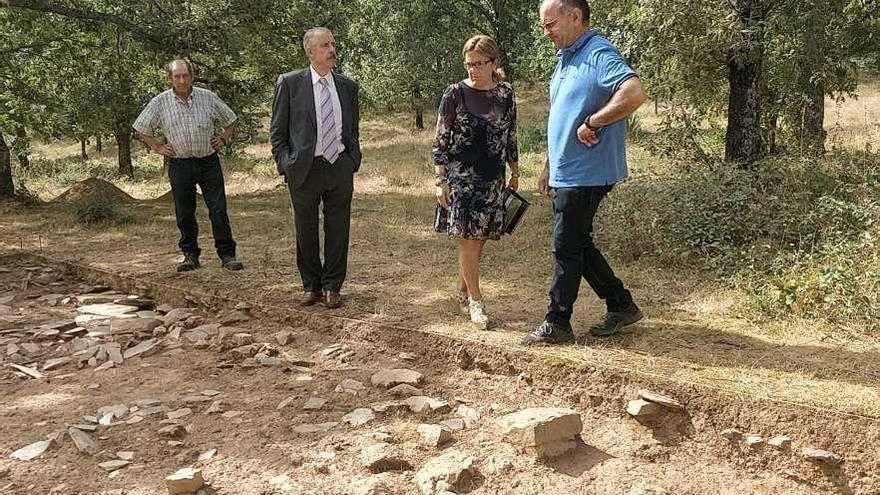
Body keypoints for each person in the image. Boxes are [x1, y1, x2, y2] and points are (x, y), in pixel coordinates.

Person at [522, 0, 647, 345]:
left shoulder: (597, 52)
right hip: (567, 171)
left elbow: (634, 93)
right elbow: (561, 116)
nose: (545, 33)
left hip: (588, 172)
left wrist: (595, 121)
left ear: (574, 16)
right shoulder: (567, 58)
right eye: (543, 26)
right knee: (578, 243)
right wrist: (550, 164)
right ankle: (620, 304)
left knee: (565, 246)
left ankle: (557, 322)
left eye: (550, 25)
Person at [270, 27, 361, 310]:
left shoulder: (347, 86)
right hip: (304, 169)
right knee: (305, 229)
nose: (331, 49)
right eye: (324, 45)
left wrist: (352, 160)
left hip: (338, 167)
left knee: (338, 229)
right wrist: (286, 165)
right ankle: (312, 286)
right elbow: (277, 131)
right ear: (311, 52)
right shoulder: (290, 83)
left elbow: (353, 130)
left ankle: (333, 287)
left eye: (333, 44)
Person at [433, 35, 519, 329]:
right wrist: (440, 180)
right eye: (469, 64)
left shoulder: (506, 94)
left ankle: (461, 291)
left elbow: (511, 136)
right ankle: (476, 301)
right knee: (468, 241)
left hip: (493, 179)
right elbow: (440, 141)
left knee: (478, 241)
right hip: (461, 181)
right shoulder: (454, 93)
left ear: (494, 63)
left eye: (479, 64)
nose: (473, 69)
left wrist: (515, 171)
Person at [133, 59, 244, 273]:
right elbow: (141, 127)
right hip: (180, 164)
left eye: (185, 75)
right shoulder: (160, 102)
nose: (182, 80)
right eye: (177, 76)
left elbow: (230, 118)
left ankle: (227, 254)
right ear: (170, 78)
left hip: (208, 161)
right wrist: (157, 147)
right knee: (184, 212)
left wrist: (223, 138)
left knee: (218, 209)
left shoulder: (207, 97)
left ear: (192, 76)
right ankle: (190, 255)